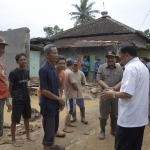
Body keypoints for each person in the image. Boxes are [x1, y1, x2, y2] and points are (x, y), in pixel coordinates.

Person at [101, 41, 149, 150]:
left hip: (129, 119)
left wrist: (111, 94)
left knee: (123, 146)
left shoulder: (131, 68)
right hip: (139, 118)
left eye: (120, 54)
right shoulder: (142, 67)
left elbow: (128, 93)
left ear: (126, 55)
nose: (119, 57)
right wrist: (115, 88)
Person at [39, 44, 65, 150]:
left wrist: (59, 100)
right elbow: (44, 91)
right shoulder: (43, 69)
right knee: (49, 132)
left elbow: (56, 87)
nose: (56, 55)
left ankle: (53, 147)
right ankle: (48, 146)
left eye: (57, 52)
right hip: (48, 105)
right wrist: (59, 99)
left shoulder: (54, 68)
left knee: (54, 128)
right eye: (54, 53)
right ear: (47, 55)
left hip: (54, 103)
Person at [9, 53, 35, 147]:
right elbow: (10, 87)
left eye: (25, 59)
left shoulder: (27, 71)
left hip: (26, 99)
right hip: (17, 100)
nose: (23, 61)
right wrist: (14, 97)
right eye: (21, 60)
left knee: (27, 118)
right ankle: (13, 139)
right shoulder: (13, 73)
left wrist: (27, 95)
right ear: (17, 62)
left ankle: (28, 135)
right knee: (15, 120)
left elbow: (26, 84)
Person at [97, 51, 123, 140]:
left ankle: (113, 129)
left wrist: (114, 89)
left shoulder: (120, 69)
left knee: (115, 113)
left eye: (112, 58)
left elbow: (122, 81)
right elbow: (99, 79)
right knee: (103, 113)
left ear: (115, 59)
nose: (110, 59)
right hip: (105, 94)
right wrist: (108, 88)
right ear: (106, 59)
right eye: (108, 58)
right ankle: (102, 131)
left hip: (116, 94)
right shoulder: (101, 67)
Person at [0, 37, 11, 142]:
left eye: (3, 48)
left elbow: (3, 84)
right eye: (0, 47)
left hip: (1, 99)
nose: (2, 50)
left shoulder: (2, 66)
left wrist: (7, 100)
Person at [63, 58, 78, 133]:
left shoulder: (65, 71)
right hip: (71, 94)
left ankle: (68, 123)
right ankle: (65, 127)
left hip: (67, 93)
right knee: (70, 110)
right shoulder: (70, 73)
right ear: (72, 64)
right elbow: (73, 84)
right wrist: (77, 89)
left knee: (69, 109)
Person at [139, 56, 150, 125]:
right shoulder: (137, 69)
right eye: (140, 61)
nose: (141, 63)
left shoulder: (148, 70)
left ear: (146, 62)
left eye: (143, 61)